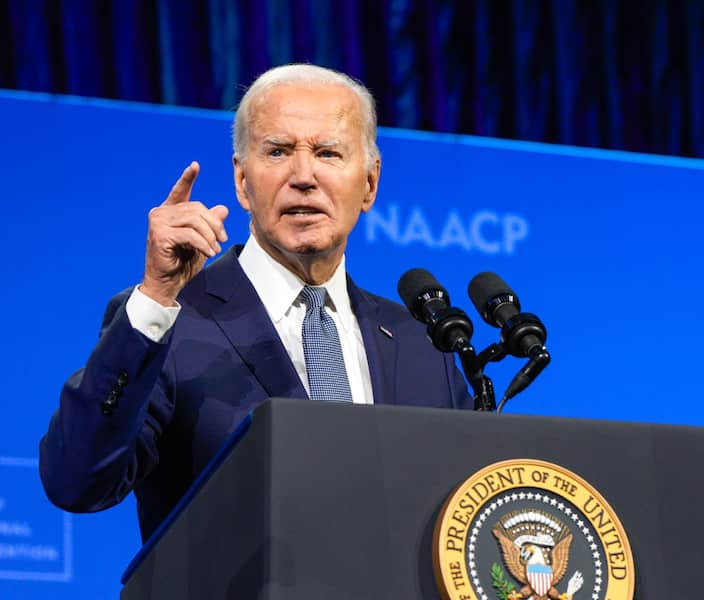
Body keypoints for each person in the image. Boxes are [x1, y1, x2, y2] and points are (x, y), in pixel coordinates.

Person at [39, 64, 472, 542]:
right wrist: (156, 297)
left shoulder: (422, 345)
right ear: (242, 181)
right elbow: (76, 481)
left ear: (369, 184)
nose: (303, 176)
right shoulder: (170, 320)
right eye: (278, 151)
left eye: (328, 153)